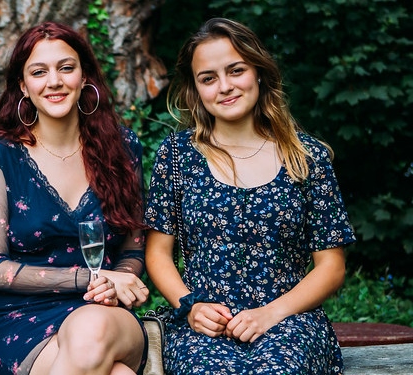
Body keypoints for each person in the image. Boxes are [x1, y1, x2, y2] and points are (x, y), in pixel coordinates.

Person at [144, 17, 352, 374]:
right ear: (195, 89)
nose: (224, 86)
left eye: (235, 70)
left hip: (290, 321)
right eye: (208, 78)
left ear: (258, 71)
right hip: (206, 325)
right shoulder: (177, 156)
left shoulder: (306, 157)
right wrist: (190, 306)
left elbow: (331, 267)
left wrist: (271, 314)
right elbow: (158, 254)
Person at [0, 21, 150, 375]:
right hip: (22, 323)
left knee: (91, 327)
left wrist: (117, 282)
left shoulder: (123, 147)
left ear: (84, 76)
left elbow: (132, 250)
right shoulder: (3, 154)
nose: (54, 81)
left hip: (107, 315)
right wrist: (91, 278)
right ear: (24, 86)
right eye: (39, 72)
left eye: (66, 68)